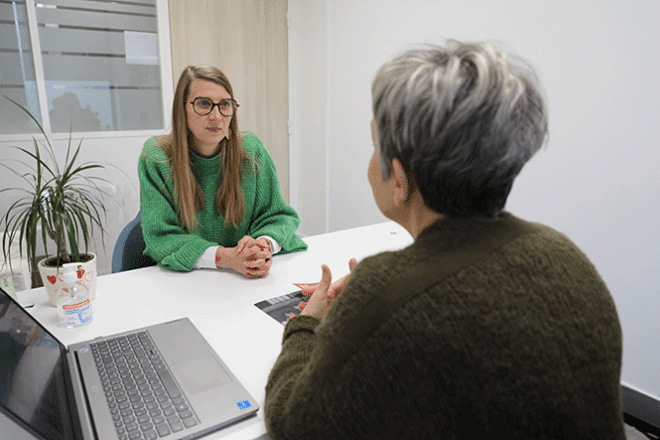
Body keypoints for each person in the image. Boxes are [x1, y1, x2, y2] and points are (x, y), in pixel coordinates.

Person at [264, 41, 625, 439]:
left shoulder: (386, 297)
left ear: (399, 180)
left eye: (374, 145)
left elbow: (292, 423)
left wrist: (308, 326)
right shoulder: (565, 256)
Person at [138, 65, 307, 277]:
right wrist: (226, 257)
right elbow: (161, 238)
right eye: (203, 104)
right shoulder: (157, 157)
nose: (216, 116)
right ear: (182, 109)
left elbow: (278, 216)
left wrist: (263, 245)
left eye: (225, 105)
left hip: (245, 282)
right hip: (185, 283)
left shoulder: (251, 150)